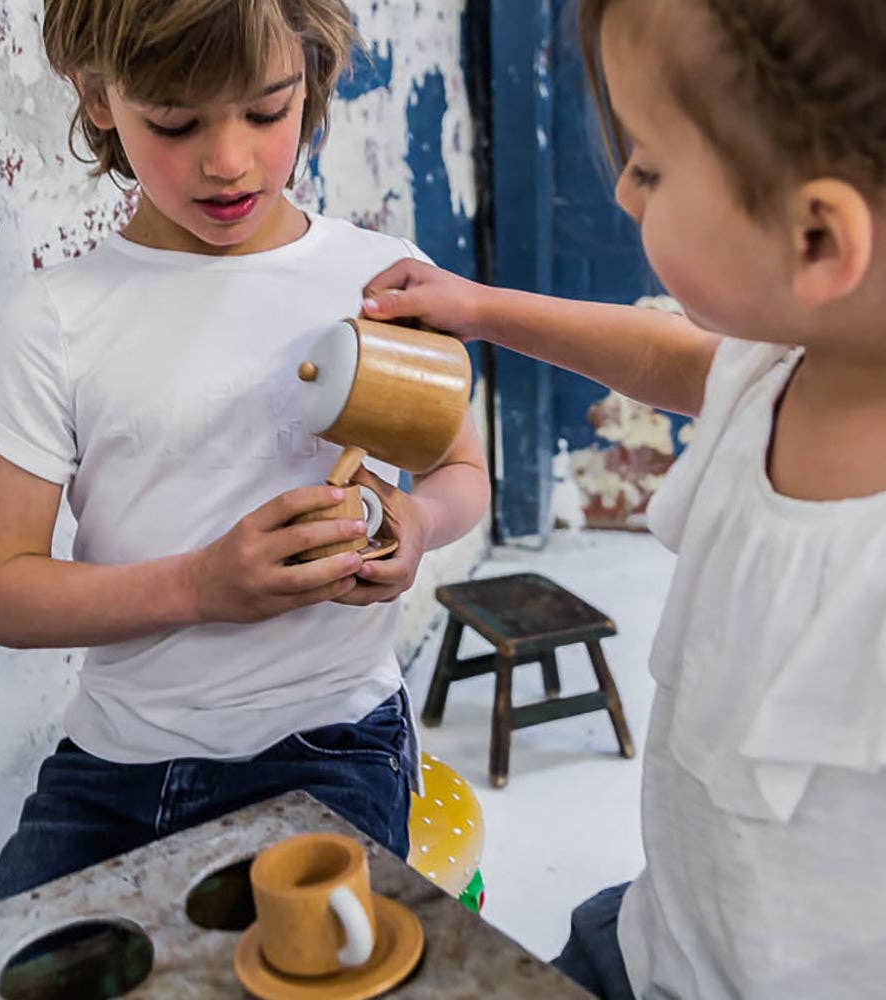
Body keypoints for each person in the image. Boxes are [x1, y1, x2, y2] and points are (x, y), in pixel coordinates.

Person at [361, 0, 886, 996]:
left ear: (816, 237)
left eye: (647, 164)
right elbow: (662, 353)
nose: (621, 189)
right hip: (666, 932)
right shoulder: (778, 368)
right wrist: (476, 306)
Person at [0, 0, 489, 907]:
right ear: (98, 97)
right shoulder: (57, 319)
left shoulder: (378, 280)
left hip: (330, 745)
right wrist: (200, 586)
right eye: (176, 121)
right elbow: (0, 589)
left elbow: (461, 471)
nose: (228, 160)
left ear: (312, 82)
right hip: (112, 767)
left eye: (266, 110)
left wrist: (419, 523)